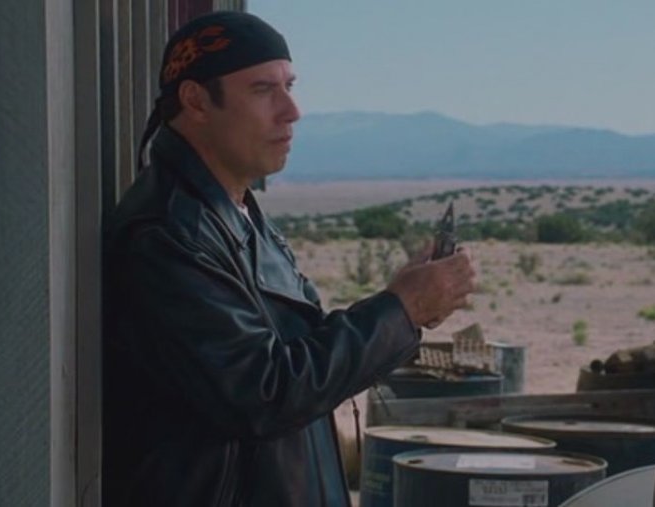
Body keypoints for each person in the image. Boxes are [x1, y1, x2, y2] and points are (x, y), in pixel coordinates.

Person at [101, 11, 478, 506]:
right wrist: (400, 310)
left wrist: (402, 304)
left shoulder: (232, 213)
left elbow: (302, 361)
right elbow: (264, 392)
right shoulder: (169, 235)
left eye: (289, 86)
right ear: (196, 101)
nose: (292, 110)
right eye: (263, 90)